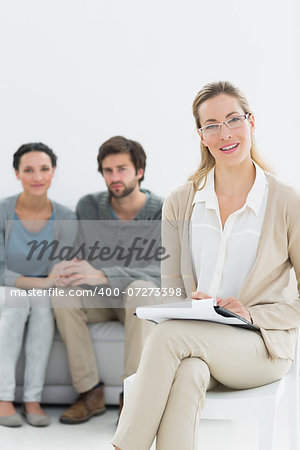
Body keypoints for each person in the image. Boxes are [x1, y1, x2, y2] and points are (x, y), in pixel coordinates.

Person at [112, 81, 300, 450]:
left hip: (261, 347)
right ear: (200, 135)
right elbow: (171, 293)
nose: (225, 133)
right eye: (211, 124)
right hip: (194, 343)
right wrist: (191, 306)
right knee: (188, 373)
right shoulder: (181, 202)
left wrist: (252, 316)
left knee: (168, 338)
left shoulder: (286, 201)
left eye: (233, 119)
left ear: (252, 123)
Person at [52, 136, 163, 424]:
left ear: (139, 171)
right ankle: (89, 393)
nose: (114, 177)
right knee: (63, 294)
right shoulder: (89, 206)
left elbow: (163, 273)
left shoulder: (163, 211)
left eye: (122, 169)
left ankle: (133, 397)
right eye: (108, 170)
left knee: (141, 289)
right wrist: (65, 268)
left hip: (140, 297)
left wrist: (104, 274)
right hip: (101, 298)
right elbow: (75, 255)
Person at [0, 142, 76, 427]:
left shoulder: (66, 216)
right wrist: (39, 283)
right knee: (19, 301)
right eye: (28, 170)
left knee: (43, 305)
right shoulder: (3, 211)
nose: (37, 177)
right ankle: (4, 398)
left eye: (44, 169)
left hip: (43, 289)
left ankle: (33, 400)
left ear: (53, 172)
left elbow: (63, 264)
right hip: (8, 286)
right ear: (17, 173)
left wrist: (49, 283)